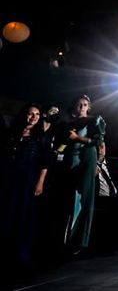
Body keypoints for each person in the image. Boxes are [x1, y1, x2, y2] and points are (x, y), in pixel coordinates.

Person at [1, 103, 52, 263]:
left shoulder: (40, 136)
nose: (34, 117)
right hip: (10, 177)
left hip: (28, 179)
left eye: (37, 114)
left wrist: (40, 183)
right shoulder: (12, 132)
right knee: (7, 212)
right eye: (31, 114)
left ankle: (22, 253)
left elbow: (45, 162)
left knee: (25, 214)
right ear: (24, 115)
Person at [61, 94, 105, 256]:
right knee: (70, 197)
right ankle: (66, 238)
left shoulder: (94, 121)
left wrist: (78, 138)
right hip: (70, 158)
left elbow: (99, 141)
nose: (82, 107)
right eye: (79, 104)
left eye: (85, 105)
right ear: (73, 107)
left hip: (87, 156)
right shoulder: (68, 124)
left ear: (89, 107)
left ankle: (80, 241)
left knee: (83, 196)